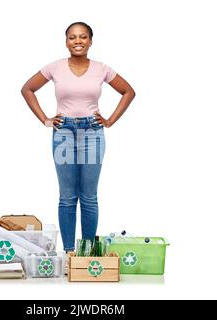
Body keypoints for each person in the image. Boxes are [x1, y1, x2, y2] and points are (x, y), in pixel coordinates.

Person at [21, 22, 136, 257]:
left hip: (92, 132)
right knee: (67, 197)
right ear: (66, 42)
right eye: (72, 37)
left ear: (91, 41)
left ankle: (88, 252)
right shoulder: (55, 67)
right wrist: (46, 119)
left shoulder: (101, 68)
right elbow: (27, 89)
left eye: (83, 37)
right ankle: (70, 253)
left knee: (89, 196)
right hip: (63, 133)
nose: (78, 41)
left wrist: (110, 120)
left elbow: (128, 91)